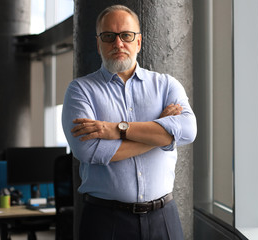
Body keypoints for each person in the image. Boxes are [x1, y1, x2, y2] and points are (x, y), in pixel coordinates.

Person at [61, 4, 197, 240]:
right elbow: (88, 150)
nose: (118, 43)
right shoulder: (80, 90)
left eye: (126, 35)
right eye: (108, 36)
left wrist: (116, 129)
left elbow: (188, 130)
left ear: (139, 42)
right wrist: (160, 132)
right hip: (104, 221)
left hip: (164, 218)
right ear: (98, 43)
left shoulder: (167, 85)